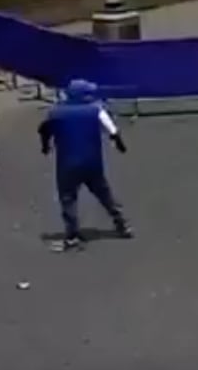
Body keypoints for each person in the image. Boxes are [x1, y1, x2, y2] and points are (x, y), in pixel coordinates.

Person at [39, 79, 130, 251]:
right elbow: (113, 131)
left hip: (67, 163)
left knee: (68, 199)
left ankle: (72, 235)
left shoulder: (56, 112)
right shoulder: (95, 111)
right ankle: (122, 223)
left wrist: (45, 146)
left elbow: (44, 130)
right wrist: (120, 144)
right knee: (104, 194)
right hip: (92, 162)